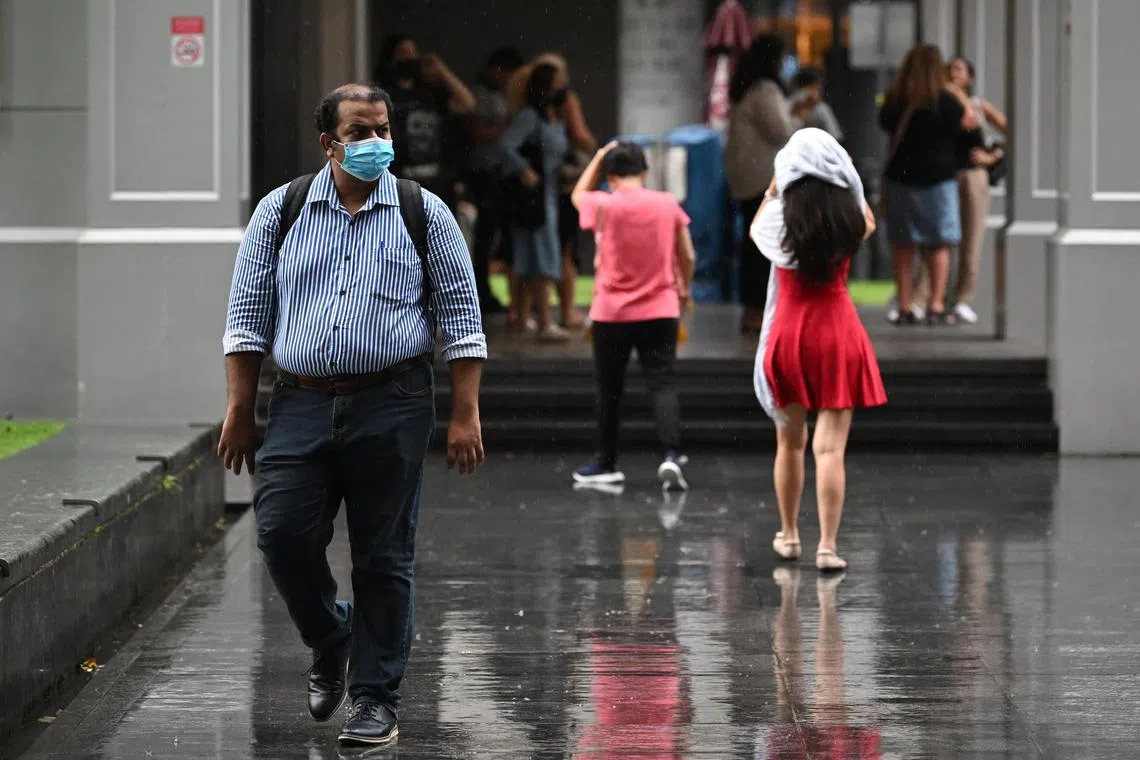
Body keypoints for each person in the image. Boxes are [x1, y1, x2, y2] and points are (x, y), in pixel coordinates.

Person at [218, 83, 486, 747]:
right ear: (328, 142)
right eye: (360, 132)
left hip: (392, 401)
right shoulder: (280, 210)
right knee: (281, 533)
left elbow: (462, 316)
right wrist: (240, 409)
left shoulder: (424, 212)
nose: (375, 143)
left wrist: (465, 414)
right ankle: (331, 635)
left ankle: (374, 699)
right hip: (300, 400)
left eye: (382, 129)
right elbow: (247, 317)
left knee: (383, 556)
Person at [750, 128, 886, 572]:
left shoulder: (781, 220)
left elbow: (755, 229)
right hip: (838, 333)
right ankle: (827, 546)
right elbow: (868, 218)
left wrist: (773, 189)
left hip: (789, 335)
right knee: (830, 451)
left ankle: (789, 535)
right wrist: (846, 174)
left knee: (789, 443)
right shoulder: (849, 219)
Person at [569, 141, 696, 491]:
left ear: (609, 175)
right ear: (645, 172)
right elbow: (688, 254)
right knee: (662, 383)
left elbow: (577, 195)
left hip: (611, 313)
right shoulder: (667, 204)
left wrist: (597, 157)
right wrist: (684, 288)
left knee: (609, 389)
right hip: (661, 309)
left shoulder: (603, 204)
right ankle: (670, 455)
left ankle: (606, 462)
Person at [879, 44, 978, 326]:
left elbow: (884, 123)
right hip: (939, 180)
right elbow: (970, 129)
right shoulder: (946, 101)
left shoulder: (897, 99)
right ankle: (935, 304)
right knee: (938, 244)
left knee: (903, 246)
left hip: (902, 179)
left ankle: (905, 305)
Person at [724, 36, 815, 335]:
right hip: (762, 180)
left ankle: (755, 308)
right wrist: (801, 114)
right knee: (763, 246)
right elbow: (781, 130)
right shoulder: (764, 90)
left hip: (747, 178)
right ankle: (758, 309)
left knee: (754, 244)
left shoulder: (747, 89)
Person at [912, 55, 1008, 325]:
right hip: (944, 175)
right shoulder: (936, 104)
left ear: (969, 77)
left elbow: (1010, 130)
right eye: (948, 70)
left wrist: (993, 156)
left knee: (971, 238)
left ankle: (962, 299)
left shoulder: (976, 105)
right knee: (936, 238)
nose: (953, 74)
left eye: (958, 70)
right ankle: (923, 298)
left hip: (972, 175)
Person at [499, 63, 572, 342]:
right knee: (538, 256)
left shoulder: (554, 118)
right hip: (534, 199)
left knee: (539, 255)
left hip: (549, 193)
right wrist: (524, 170)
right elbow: (507, 145)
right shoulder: (530, 117)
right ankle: (542, 320)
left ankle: (525, 316)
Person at [372, 34, 477, 204]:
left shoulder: (431, 93)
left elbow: (468, 104)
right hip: (399, 178)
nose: (409, 58)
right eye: (403, 52)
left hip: (437, 182)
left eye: (413, 53)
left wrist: (441, 69)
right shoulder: (384, 95)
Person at [470, 46, 525, 314]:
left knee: (501, 236)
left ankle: (503, 298)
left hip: (502, 174)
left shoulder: (505, 96)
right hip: (486, 172)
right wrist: (508, 125)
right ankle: (481, 291)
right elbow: (478, 132)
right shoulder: (482, 95)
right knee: (486, 236)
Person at [789, 68, 844, 142]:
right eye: (819, 85)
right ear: (816, 84)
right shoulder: (821, 108)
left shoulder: (786, 103)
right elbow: (834, 136)